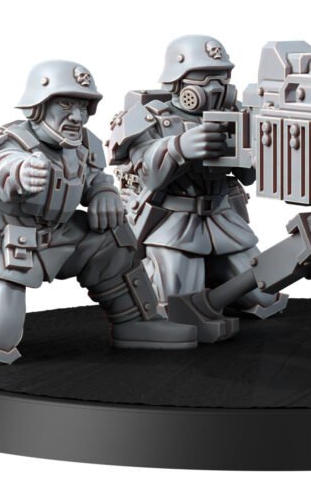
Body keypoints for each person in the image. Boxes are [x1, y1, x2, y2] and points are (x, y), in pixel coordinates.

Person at [0, 60, 197, 363]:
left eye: (83, 106)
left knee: (113, 236)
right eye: (65, 105)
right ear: (39, 105)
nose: (77, 116)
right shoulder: (8, 142)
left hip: (58, 234)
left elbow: (94, 177)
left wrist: (103, 192)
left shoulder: (84, 144)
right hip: (5, 244)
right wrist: (19, 172)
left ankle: (134, 320)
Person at [108, 35, 287, 318]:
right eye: (203, 77)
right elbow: (143, 171)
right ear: (178, 80)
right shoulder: (150, 117)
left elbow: (249, 176)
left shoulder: (235, 113)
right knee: (177, 305)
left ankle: (216, 279)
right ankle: (141, 281)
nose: (215, 87)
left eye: (222, 77)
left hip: (223, 219)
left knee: (264, 295)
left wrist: (259, 151)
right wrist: (177, 148)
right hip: (173, 223)